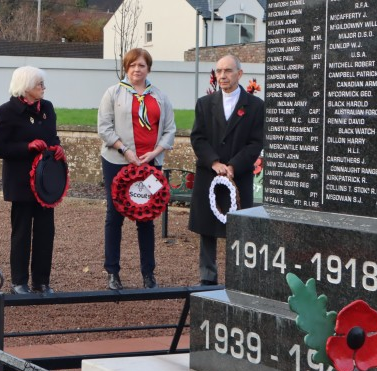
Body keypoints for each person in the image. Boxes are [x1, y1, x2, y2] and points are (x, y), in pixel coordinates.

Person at [97, 48, 176, 290]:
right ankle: (113, 272)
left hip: (149, 165)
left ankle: (148, 274)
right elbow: (104, 127)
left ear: (148, 68)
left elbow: (170, 129)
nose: (136, 69)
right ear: (126, 68)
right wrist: (125, 151)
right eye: (132, 65)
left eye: (141, 65)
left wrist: (155, 151)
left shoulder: (160, 97)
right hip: (118, 163)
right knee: (115, 215)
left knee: (146, 217)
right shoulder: (113, 93)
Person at [189, 55, 263, 285]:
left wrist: (233, 165)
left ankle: (237, 276)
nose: (222, 76)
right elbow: (198, 138)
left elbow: (255, 142)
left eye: (228, 71)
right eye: (219, 71)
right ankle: (207, 277)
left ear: (239, 74)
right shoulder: (204, 104)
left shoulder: (256, 106)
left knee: (238, 228)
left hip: (237, 175)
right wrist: (214, 162)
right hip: (209, 173)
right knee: (207, 228)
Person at [0, 66, 64, 295]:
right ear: (25, 87)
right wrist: (27, 147)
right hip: (20, 180)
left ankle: (41, 281)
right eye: (39, 84)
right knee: (21, 232)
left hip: (44, 182)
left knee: (45, 232)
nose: (43, 88)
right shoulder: (6, 112)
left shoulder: (48, 108)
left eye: (43, 84)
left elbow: (52, 137)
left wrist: (58, 148)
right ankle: (19, 281)